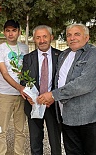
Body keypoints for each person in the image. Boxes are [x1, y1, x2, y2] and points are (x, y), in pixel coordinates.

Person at [38, 23, 96, 155]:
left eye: (77, 34)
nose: (72, 38)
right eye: (69, 35)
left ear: (87, 37)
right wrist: (53, 98)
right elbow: (59, 80)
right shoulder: (64, 55)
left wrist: (53, 95)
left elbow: (83, 84)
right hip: (67, 119)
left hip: (90, 119)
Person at [21, 25, 62, 155]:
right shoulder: (28, 58)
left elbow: (65, 80)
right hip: (34, 104)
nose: (42, 40)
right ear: (34, 39)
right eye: (38, 37)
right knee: (35, 141)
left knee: (55, 142)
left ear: (51, 37)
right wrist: (29, 96)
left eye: (45, 36)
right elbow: (24, 80)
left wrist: (53, 97)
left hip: (53, 105)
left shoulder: (60, 56)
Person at [0, 19, 29, 155]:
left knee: (20, 129)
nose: (10, 33)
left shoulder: (25, 48)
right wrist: (19, 87)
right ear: (4, 32)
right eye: (8, 30)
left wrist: (26, 89)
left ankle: (19, 153)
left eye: (14, 30)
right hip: (5, 95)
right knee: (2, 130)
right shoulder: (0, 50)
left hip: (22, 95)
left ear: (19, 32)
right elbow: (4, 73)